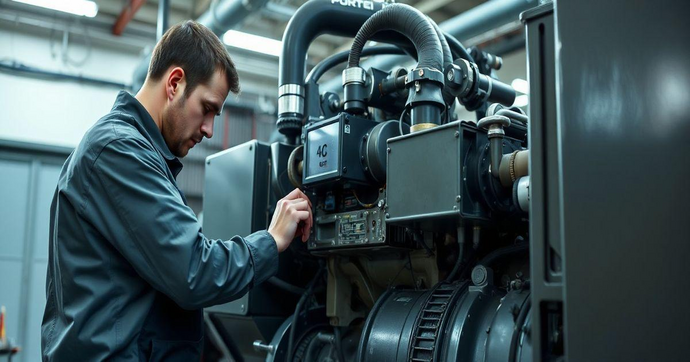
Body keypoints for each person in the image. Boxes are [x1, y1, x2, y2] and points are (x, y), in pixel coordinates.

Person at [40, 20, 313, 361]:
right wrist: (271, 240)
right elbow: (193, 271)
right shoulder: (119, 151)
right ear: (175, 83)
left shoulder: (138, 154)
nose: (210, 130)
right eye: (208, 108)